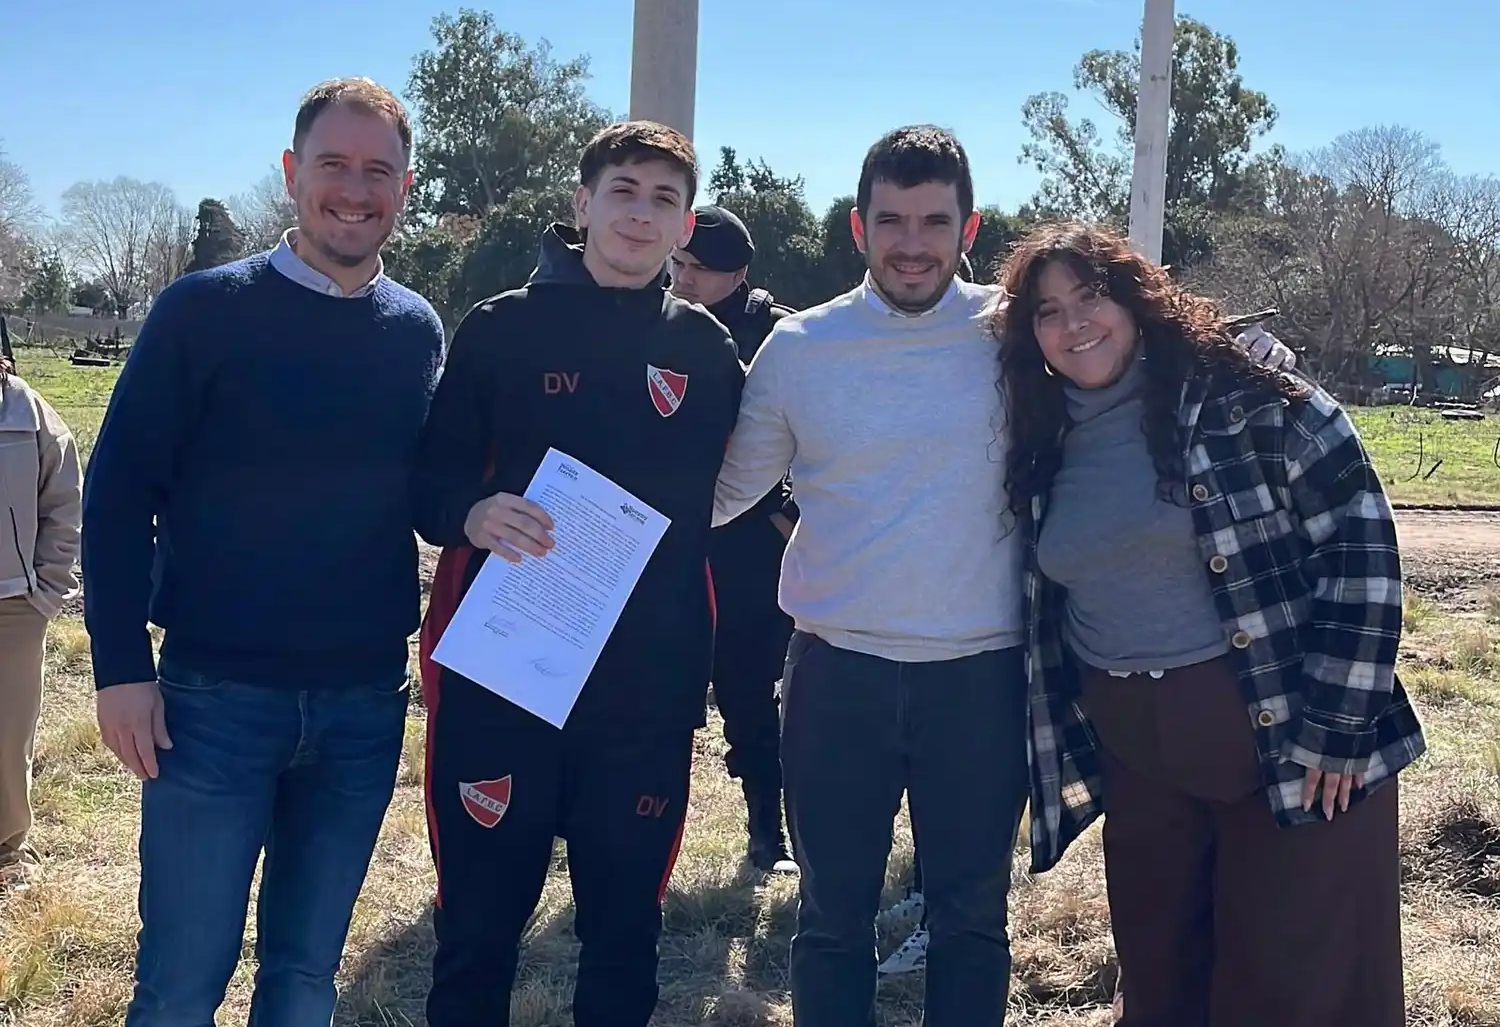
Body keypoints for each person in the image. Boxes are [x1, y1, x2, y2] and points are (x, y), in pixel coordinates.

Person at [713, 125, 1296, 1027]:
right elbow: (716, 491)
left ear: (969, 227)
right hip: (837, 673)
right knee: (831, 922)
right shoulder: (799, 348)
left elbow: (1135, 355)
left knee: (972, 921)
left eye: (934, 221)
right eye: (892, 220)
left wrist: (1243, 358)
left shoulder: (1016, 335)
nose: (913, 243)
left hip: (984, 680)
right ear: (858, 227)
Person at [995, 221, 1424, 1027]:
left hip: (1286, 734)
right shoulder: (1037, 431)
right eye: (1048, 310)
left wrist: (1338, 725)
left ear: (1135, 296)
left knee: (1297, 983)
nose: (1075, 322)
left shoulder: (1247, 394)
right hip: (1140, 753)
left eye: (1093, 295)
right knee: (1163, 978)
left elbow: (1362, 539)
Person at [82, 77, 445, 1026]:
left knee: (305, 979)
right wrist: (120, 667)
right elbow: (118, 493)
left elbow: (434, 490)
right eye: (334, 165)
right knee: (178, 984)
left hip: (364, 704)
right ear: (292, 174)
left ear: (406, 186)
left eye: (379, 170)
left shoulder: (417, 331)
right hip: (211, 702)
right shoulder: (201, 312)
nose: (355, 190)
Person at [413, 120, 747, 1027]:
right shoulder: (500, 328)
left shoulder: (709, 352)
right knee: (478, 931)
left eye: (665, 199)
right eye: (624, 190)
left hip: (641, 698)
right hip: (504, 680)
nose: (642, 214)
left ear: (686, 227)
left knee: (625, 934)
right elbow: (431, 477)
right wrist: (473, 515)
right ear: (582, 203)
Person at [667, 203, 799, 875]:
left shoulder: (780, 335)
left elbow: (818, 435)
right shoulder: (659, 325)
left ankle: (768, 834)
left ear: (738, 273)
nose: (682, 277)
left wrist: (786, 512)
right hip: (678, 540)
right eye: (678, 263)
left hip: (755, 549)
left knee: (755, 691)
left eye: (697, 268)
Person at [0, 358, 82, 895]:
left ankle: (7, 846)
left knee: (7, 737)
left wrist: (45, 593)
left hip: (13, 607)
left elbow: (65, 504)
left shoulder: (27, 414)